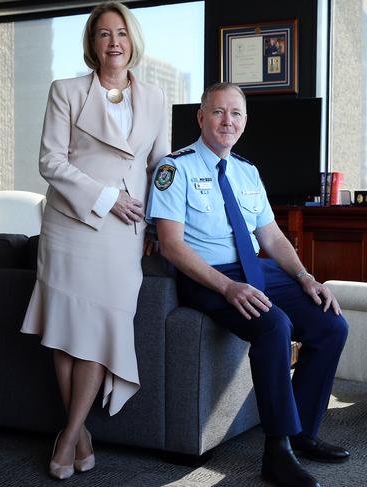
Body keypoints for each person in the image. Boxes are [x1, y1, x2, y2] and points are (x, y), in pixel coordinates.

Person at [146, 82, 349, 487]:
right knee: (275, 325)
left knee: (330, 323)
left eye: (235, 113)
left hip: (255, 269)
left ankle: (303, 433)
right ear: (201, 118)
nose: (227, 121)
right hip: (208, 274)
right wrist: (227, 287)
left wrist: (306, 277)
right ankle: (277, 452)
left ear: (244, 122)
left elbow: (271, 237)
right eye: (218, 112)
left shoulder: (246, 171)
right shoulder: (175, 168)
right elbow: (170, 245)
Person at [21, 1, 169, 480]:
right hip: (71, 225)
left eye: (121, 33)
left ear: (133, 41)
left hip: (124, 234)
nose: (114, 42)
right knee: (65, 334)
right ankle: (79, 435)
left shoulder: (157, 99)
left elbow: (160, 168)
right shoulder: (65, 91)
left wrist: (154, 225)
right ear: (92, 43)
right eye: (104, 34)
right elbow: (51, 161)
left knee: (99, 332)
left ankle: (69, 434)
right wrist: (107, 198)